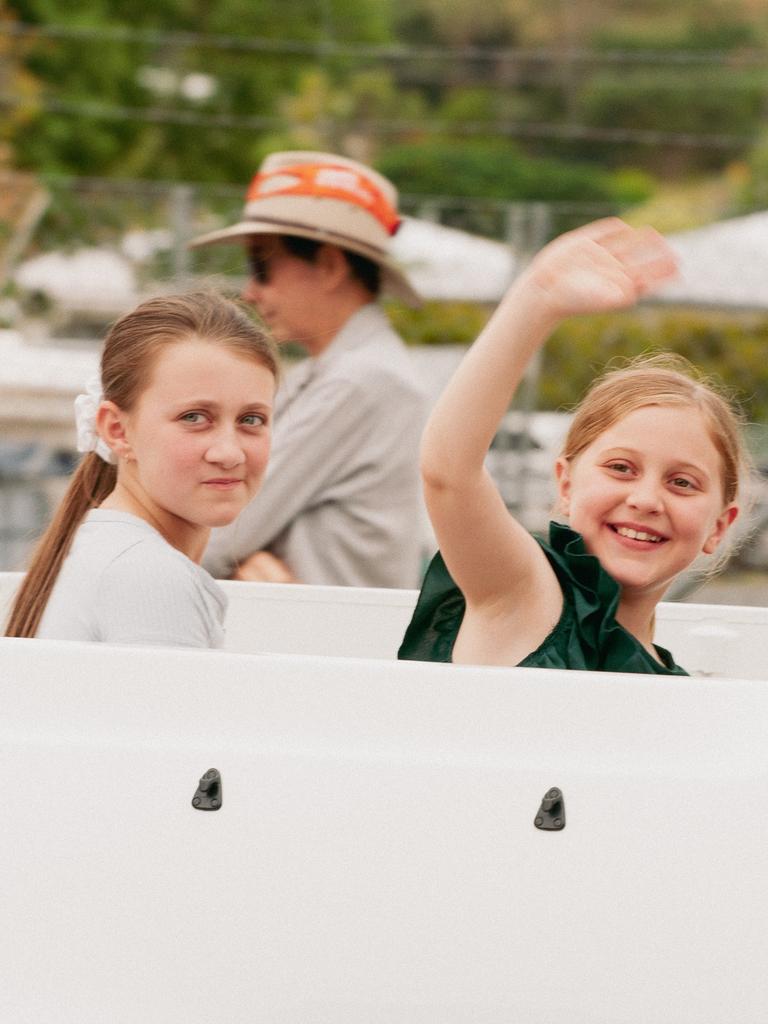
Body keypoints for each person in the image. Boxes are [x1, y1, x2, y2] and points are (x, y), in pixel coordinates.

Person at [398, 218, 747, 674]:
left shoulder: (678, 686)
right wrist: (537, 298)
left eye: (682, 483)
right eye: (621, 468)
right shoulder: (526, 596)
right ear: (565, 484)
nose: (645, 500)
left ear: (719, 526)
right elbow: (449, 472)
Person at [189, 150, 428, 588]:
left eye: (262, 266)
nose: (251, 291)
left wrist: (235, 554)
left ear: (330, 266)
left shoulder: (360, 381)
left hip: (324, 642)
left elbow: (224, 531)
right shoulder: (344, 372)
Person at [5, 291, 279, 648]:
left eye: (251, 419)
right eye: (194, 417)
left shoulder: (109, 552)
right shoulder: (149, 575)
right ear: (116, 429)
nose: (229, 453)